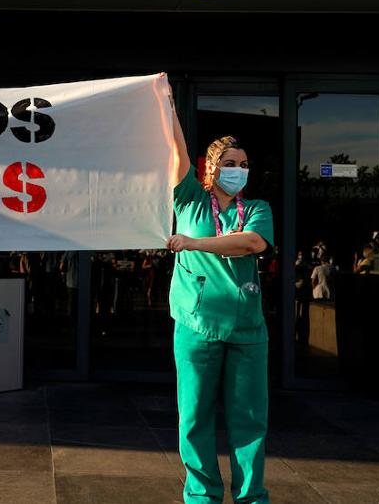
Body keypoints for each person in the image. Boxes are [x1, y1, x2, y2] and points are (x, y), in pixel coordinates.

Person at [165, 110, 274, 504]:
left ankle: (251, 497)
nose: (238, 171)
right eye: (230, 164)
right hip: (196, 329)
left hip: (247, 332)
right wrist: (168, 106)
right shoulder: (190, 201)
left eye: (244, 165)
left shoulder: (258, 209)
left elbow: (251, 244)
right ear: (210, 169)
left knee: (249, 422)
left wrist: (193, 243)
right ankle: (201, 496)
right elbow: (176, 153)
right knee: (194, 419)